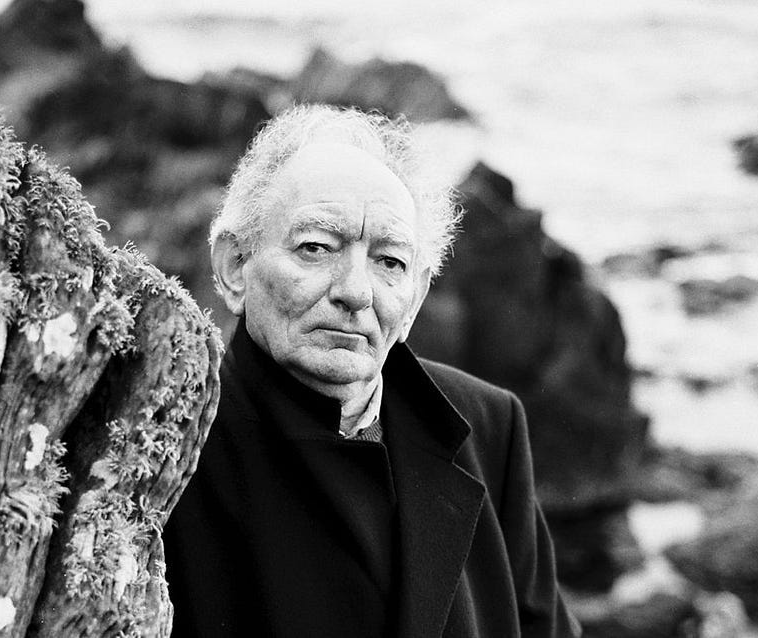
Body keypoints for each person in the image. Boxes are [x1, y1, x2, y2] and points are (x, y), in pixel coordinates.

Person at [163, 104, 581, 637]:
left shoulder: (486, 425)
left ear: (416, 297)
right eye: (316, 247)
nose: (355, 292)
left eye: (390, 262)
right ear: (233, 266)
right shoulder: (173, 448)